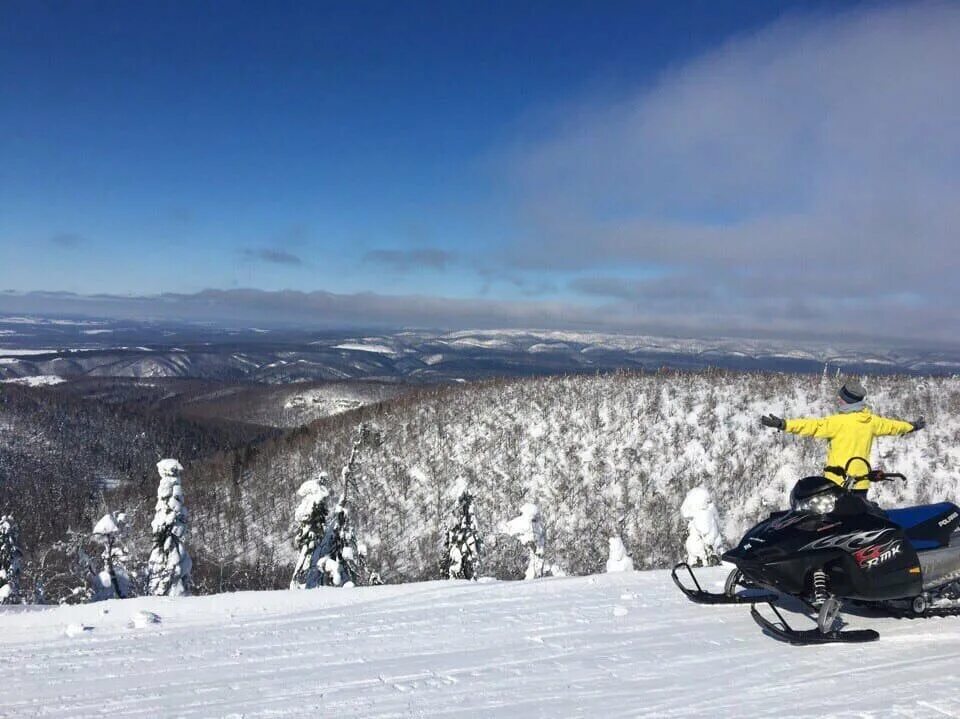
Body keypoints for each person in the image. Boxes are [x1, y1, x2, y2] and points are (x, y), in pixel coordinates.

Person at [760, 380, 924, 492]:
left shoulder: (838, 422)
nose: (838, 399)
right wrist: (912, 426)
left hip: (837, 484)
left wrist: (784, 424)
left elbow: (811, 426)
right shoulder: (871, 421)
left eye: (841, 397)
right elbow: (893, 426)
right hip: (861, 484)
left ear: (849, 401)